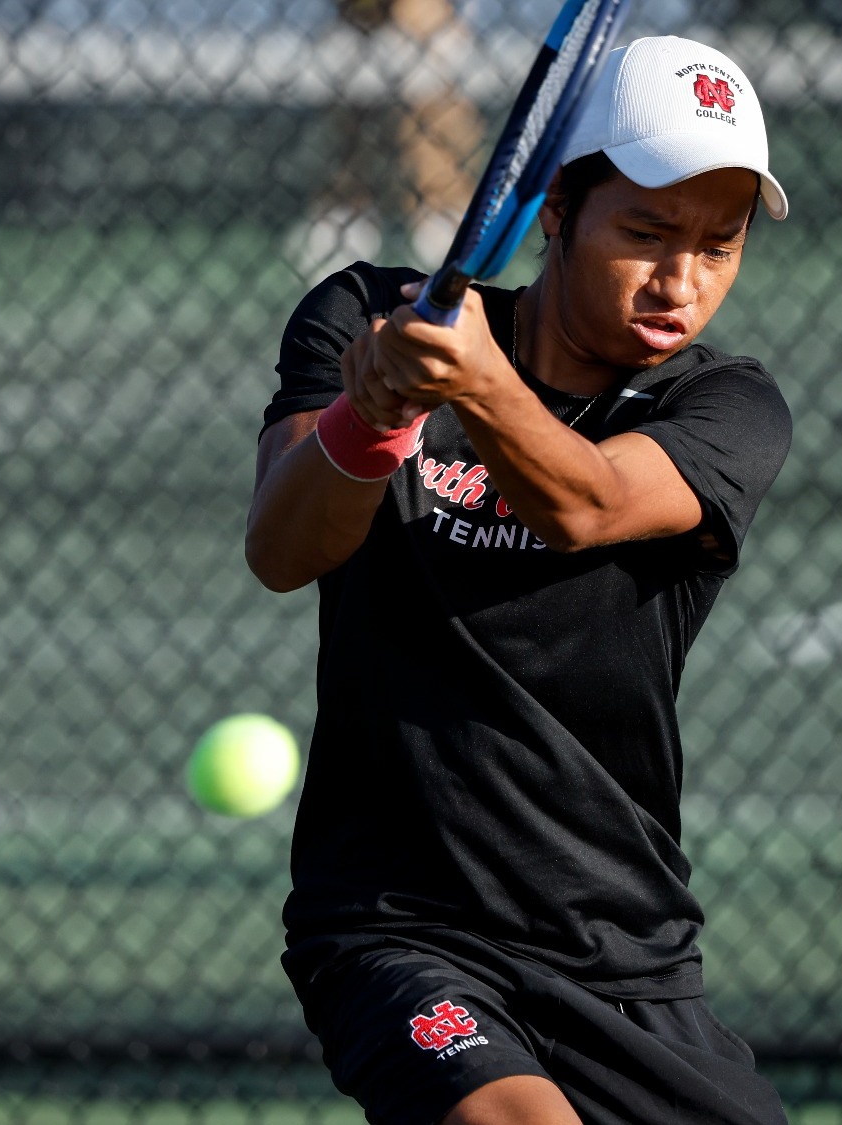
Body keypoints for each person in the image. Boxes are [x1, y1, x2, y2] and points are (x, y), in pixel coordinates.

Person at [247, 35, 794, 1125]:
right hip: (396, 929)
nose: (679, 280)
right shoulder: (365, 315)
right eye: (644, 232)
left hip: (622, 952)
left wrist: (478, 387)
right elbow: (283, 547)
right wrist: (374, 419)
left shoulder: (728, 408)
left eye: (716, 246)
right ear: (552, 212)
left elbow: (584, 502)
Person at [284, 0, 484, 280]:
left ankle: (441, 205)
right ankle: (347, 205)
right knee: (354, 108)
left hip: (426, 28)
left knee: (429, 105)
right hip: (353, 27)